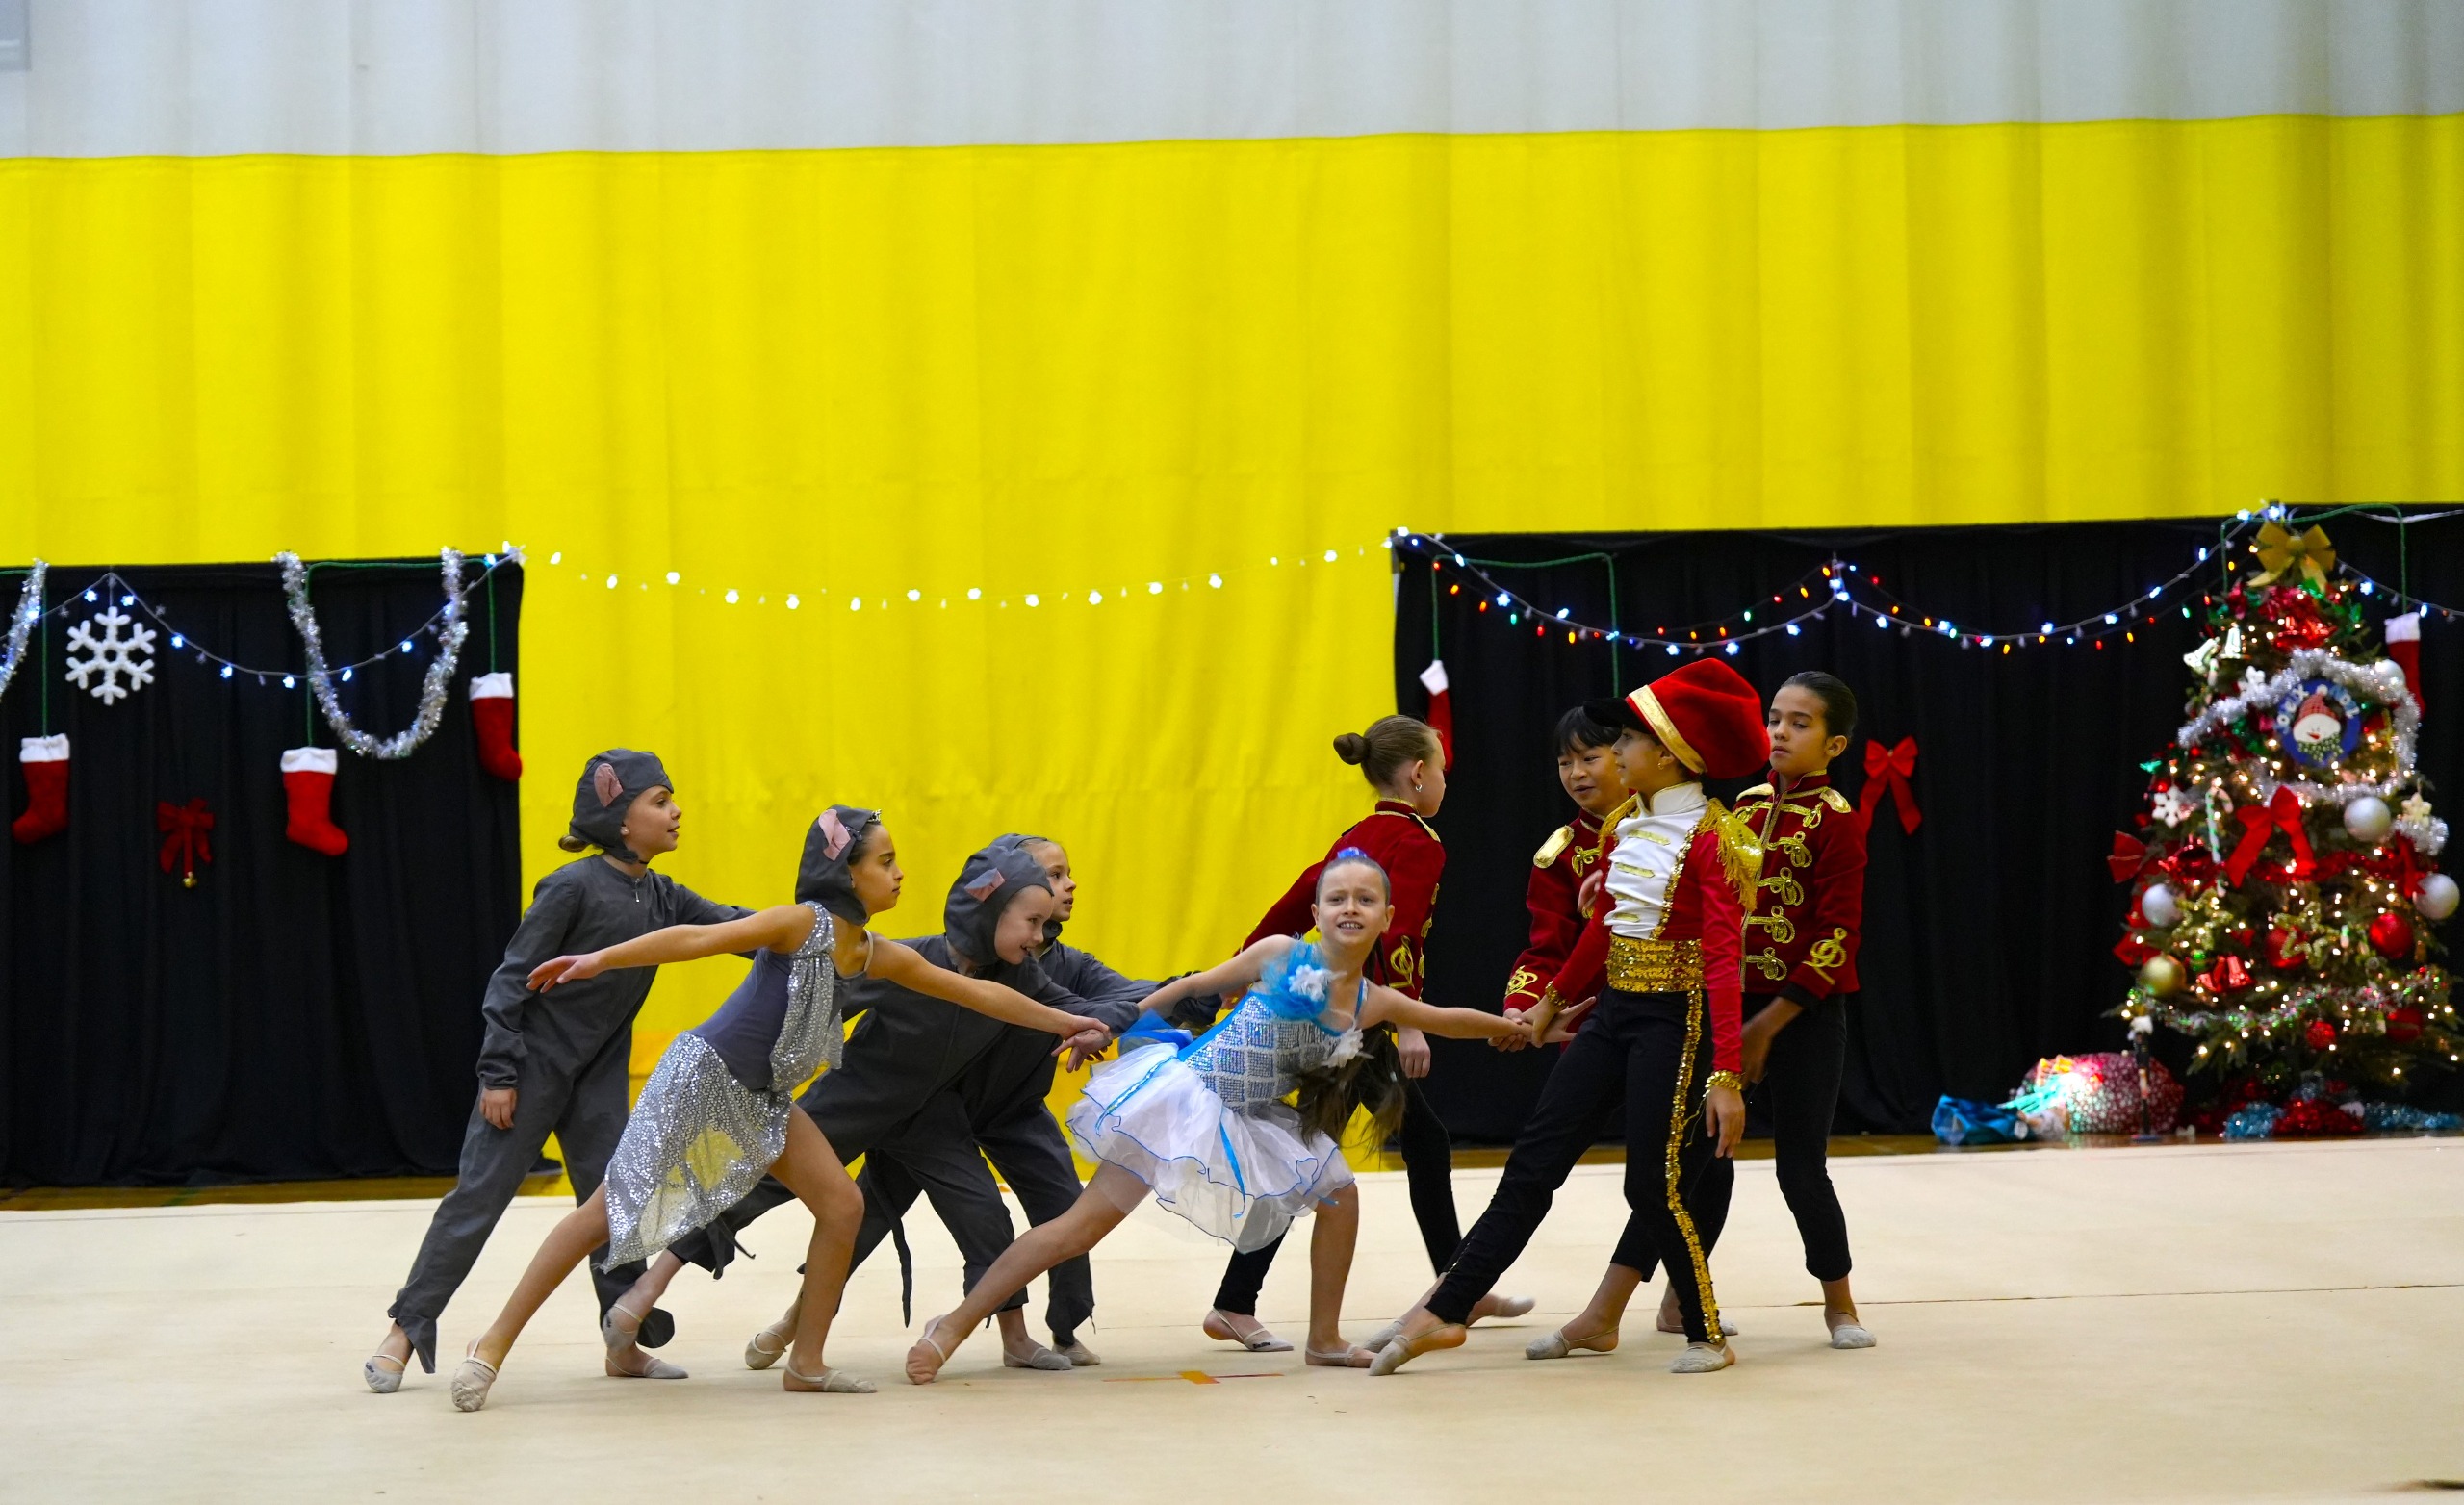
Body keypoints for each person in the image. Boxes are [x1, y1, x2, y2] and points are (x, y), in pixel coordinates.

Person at [441, 810, 1102, 1410]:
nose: (900, 874)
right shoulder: (800, 924)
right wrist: (598, 959)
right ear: (846, 873)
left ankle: (806, 1364)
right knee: (602, 1216)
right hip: (703, 1079)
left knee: (842, 1205)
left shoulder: (872, 953)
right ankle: (489, 1346)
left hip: (765, 1100)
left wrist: (1068, 1022)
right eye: (885, 861)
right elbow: (694, 939)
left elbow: (981, 996)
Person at [900, 851, 1535, 1384]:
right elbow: (1188, 988)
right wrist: (1109, 1027)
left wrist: (1518, 1027)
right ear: (1316, 912)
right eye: (1336, 898)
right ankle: (953, 1324)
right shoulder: (1280, 953)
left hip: (1252, 1118)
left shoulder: (1373, 1001)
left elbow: (1446, 1019)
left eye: (1365, 900)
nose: (1350, 908)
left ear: (1387, 918)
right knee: (1077, 1231)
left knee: (1340, 1194)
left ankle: (1324, 1338)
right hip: (1185, 1101)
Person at [1368, 658, 1768, 1378]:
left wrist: (1727, 1075)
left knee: (1652, 1185)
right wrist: (1546, 1007)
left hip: (1676, 1023)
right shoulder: (1622, 825)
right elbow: (1601, 932)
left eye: (1629, 741)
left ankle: (1706, 1333)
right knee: (1533, 1162)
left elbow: (1721, 964)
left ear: (1671, 755)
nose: (1615, 753)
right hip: (1614, 1013)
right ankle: (1446, 1311)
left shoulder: (1718, 839)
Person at [364, 751, 749, 1393]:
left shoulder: (663, 896)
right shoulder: (571, 887)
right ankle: (406, 1328)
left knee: (615, 1204)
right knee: (478, 1199)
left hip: (598, 1078)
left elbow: (739, 927)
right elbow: (511, 979)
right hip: (531, 1071)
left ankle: (622, 1341)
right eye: (659, 801)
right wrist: (498, 1074)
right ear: (620, 819)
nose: (676, 812)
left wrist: (816, 932)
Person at [738, 835, 1150, 1371]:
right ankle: (784, 1318)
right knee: (844, 1213)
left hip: (990, 1115)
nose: (1066, 886)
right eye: (1052, 876)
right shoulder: (928, 958)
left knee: (1037, 1208)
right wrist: (759, 1054)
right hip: (917, 1112)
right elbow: (823, 988)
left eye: (1064, 876)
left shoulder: (1059, 967)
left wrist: (1196, 990)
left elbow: (1124, 997)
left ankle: (1049, 1331)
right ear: (1001, 899)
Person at [1182, 715, 1527, 1352]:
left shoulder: (1357, 834)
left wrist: (1244, 962)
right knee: (1349, 1154)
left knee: (1377, 1148)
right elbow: (1402, 938)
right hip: (1353, 1022)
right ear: (1419, 774)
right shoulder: (1419, 842)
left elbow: (1297, 899)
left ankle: (1452, 1286)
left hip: (1332, 1011)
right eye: (1441, 770)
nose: (1444, 782)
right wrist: (1408, 1022)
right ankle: (1452, 1288)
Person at [1502, 705, 1630, 1029]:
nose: (1576, 773)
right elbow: (1549, 948)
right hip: (1592, 1023)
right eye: (1565, 763)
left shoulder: (1673, 828)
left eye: (1589, 758)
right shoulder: (1561, 855)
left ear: (1625, 753)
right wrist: (1520, 1006)